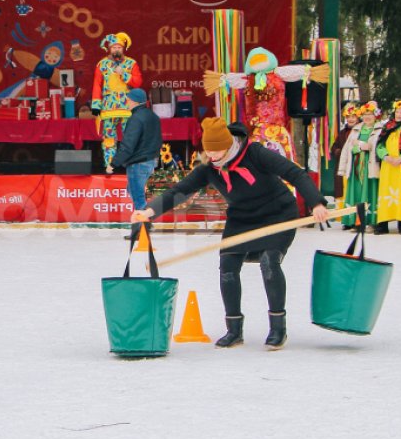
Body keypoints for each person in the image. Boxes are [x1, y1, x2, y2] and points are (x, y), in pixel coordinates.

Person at [132, 117, 329, 350]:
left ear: (228, 144)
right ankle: (234, 330)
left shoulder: (255, 153)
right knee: (227, 266)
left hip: (277, 214)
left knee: (270, 263)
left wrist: (316, 203)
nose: (213, 155)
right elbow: (181, 190)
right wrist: (150, 211)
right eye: (208, 150)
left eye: (218, 150)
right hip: (242, 218)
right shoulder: (208, 168)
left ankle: (278, 328)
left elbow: (294, 174)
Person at [109, 87, 161, 240]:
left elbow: (128, 144)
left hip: (138, 162)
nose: (127, 101)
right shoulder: (153, 116)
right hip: (149, 160)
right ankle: (145, 223)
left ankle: (141, 229)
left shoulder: (136, 119)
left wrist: (114, 163)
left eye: (129, 99)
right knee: (133, 191)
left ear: (134, 101)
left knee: (137, 196)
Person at [91, 32, 142, 169]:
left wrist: (124, 74)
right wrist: (96, 105)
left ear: (123, 48)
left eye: (119, 47)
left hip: (127, 107)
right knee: (108, 136)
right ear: (109, 48)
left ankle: (130, 164)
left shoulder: (131, 64)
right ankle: (110, 164)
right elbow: (97, 84)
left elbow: (138, 83)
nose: (116, 50)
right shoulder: (102, 65)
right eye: (114, 47)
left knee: (129, 137)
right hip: (109, 107)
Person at [338, 101, 384, 230]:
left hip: (371, 166)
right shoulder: (356, 129)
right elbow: (348, 148)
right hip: (357, 167)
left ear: (375, 116)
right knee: (357, 193)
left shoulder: (380, 129)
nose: (367, 117)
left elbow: (379, 146)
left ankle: (371, 221)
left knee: (370, 192)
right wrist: (357, 148)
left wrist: (368, 146)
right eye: (365, 114)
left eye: (370, 114)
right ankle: (356, 221)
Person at [374, 100, 401, 235]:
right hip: (388, 165)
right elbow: (379, 145)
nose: (399, 115)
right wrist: (386, 156)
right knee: (386, 193)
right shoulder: (388, 126)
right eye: (397, 112)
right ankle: (383, 224)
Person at [328, 103, 361, 219]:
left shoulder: (361, 131)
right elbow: (334, 147)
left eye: (353, 116)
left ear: (357, 118)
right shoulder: (342, 133)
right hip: (342, 165)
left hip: (355, 165)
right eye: (348, 117)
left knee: (353, 191)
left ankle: (355, 217)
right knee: (342, 190)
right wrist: (339, 152)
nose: (351, 119)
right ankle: (344, 218)